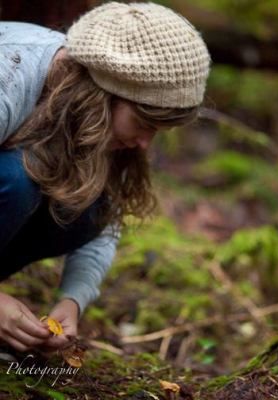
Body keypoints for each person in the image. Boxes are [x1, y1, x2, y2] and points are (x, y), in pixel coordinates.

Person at [0, 1, 211, 352]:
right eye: (144, 125)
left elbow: (105, 225)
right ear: (103, 95)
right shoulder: (10, 74)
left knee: (93, 208)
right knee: (17, 180)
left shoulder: (91, 118)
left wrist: (72, 300)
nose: (145, 144)